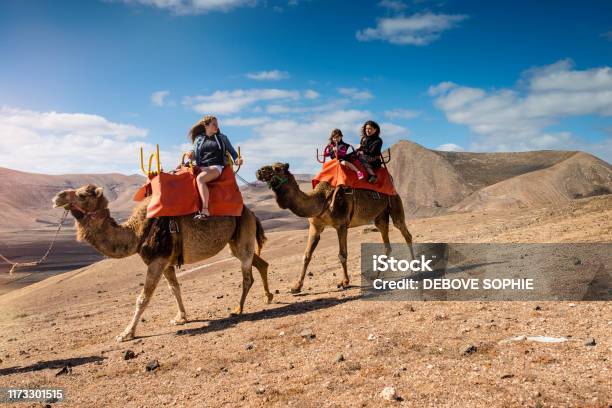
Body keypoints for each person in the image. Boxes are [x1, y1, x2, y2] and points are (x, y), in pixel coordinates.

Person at [184, 115, 243, 219]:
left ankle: (205, 210)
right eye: (214, 124)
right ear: (206, 126)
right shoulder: (199, 139)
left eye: (217, 124)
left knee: (200, 179)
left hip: (215, 167)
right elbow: (193, 152)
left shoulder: (222, 138)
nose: (217, 126)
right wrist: (190, 154)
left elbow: (233, 153)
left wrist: (237, 160)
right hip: (200, 167)